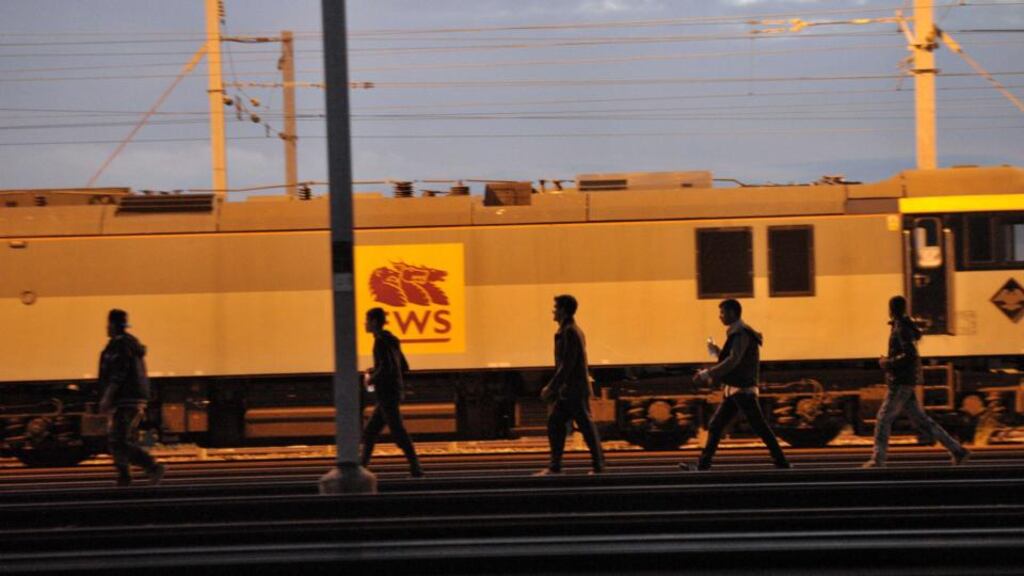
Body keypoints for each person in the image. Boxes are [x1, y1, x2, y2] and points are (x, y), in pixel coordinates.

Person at [863, 296, 971, 468]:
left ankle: (878, 459)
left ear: (892, 309)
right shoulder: (902, 326)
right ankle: (957, 450)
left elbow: (910, 355)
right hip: (904, 380)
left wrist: (887, 363)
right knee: (922, 421)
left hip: (901, 381)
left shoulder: (901, 328)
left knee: (883, 419)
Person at [682, 299, 790, 471]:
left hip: (742, 389)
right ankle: (703, 465)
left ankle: (782, 463)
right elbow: (734, 358)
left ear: (732, 313)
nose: (720, 316)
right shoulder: (738, 333)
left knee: (759, 427)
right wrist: (716, 350)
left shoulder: (741, 333)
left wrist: (707, 374)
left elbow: (733, 360)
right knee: (717, 425)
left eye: (722, 312)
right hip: (735, 389)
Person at [536, 295, 605, 475]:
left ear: (564, 310)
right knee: (559, 423)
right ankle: (557, 466)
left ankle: (597, 466)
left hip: (573, 389)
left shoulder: (570, 332)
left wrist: (551, 387)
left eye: (556, 307)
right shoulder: (569, 330)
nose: (553, 311)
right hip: (570, 389)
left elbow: (567, 364)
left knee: (583, 426)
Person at [98, 309, 165, 487]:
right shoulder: (127, 344)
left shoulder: (120, 345)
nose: (106, 327)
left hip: (126, 399)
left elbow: (118, 374)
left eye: (108, 324)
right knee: (119, 439)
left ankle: (152, 466)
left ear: (113, 325)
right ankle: (124, 477)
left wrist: (107, 396)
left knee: (117, 440)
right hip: (131, 398)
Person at [361, 307, 423, 478]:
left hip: (387, 394)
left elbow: (388, 367)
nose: (365, 324)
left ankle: (416, 467)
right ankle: (361, 468)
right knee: (371, 431)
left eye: (367, 320)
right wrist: (376, 369)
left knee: (398, 431)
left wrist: (371, 378)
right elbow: (403, 366)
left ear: (374, 322)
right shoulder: (392, 339)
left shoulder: (380, 341)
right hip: (390, 393)